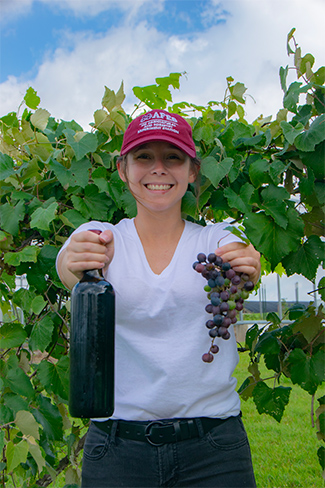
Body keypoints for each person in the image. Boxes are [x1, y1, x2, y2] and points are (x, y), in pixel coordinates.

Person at [56, 109, 261, 487]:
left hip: (214, 449)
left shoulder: (214, 237)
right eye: (144, 157)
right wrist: (74, 259)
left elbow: (241, 257)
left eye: (173, 158)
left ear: (193, 171)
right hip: (118, 451)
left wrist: (248, 264)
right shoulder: (102, 238)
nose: (159, 169)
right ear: (123, 169)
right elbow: (70, 263)